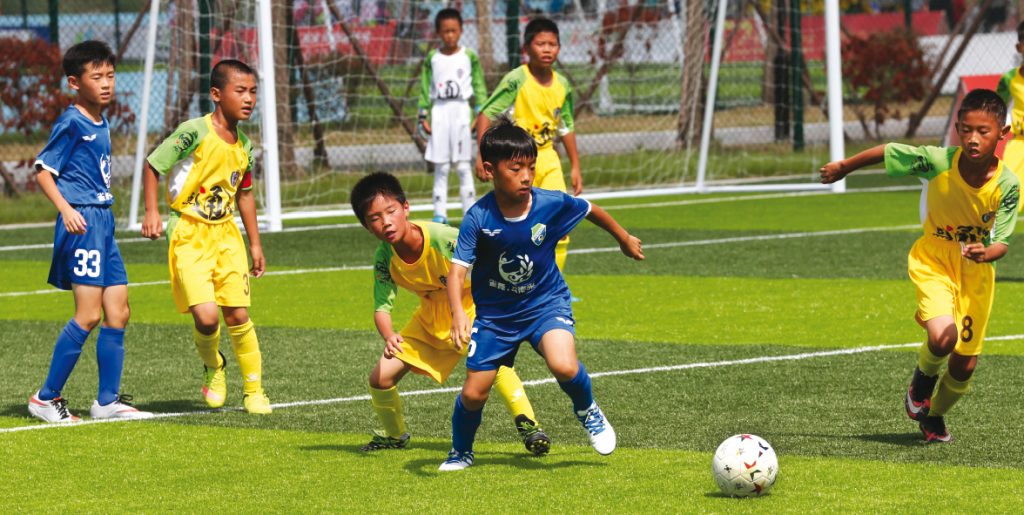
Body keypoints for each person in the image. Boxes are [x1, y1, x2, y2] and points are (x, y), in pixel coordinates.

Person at [439, 117, 644, 471]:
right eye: (515, 168)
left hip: (545, 302)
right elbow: (457, 270)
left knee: (563, 364)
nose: (526, 176)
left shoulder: (548, 203)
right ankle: (461, 452)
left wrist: (623, 238)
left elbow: (589, 208)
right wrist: (459, 313)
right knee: (474, 393)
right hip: (496, 318)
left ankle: (587, 409)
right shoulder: (478, 217)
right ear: (489, 170)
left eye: (531, 167)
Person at [819, 89, 1019, 443]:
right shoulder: (937, 161)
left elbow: (1001, 242)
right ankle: (922, 381)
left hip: (976, 272)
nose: (973, 139)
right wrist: (844, 167)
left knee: (964, 364)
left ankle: (935, 417)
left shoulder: (1007, 185)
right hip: (934, 258)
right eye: (966, 130)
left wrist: (986, 254)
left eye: (983, 132)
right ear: (957, 127)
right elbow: (889, 151)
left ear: (1002, 133)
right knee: (943, 337)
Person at [350, 172, 551, 454]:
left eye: (391, 211)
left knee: (494, 361)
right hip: (430, 319)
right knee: (380, 378)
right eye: (374, 218)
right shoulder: (385, 258)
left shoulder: (443, 239)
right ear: (366, 226)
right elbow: (382, 306)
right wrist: (389, 335)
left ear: (405, 208)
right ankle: (394, 436)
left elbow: (489, 262)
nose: (386, 222)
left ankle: (529, 425)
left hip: (472, 305)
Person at [28, 40, 152, 423]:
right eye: (96, 77)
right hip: (81, 221)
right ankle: (45, 398)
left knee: (119, 311)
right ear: (74, 83)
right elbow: (43, 170)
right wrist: (65, 209)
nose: (106, 83)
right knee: (88, 315)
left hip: (103, 221)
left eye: (110, 76)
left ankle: (107, 401)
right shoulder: (72, 121)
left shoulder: (101, 121)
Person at [141, 60, 271, 415]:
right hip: (188, 232)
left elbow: (244, 194)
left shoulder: (245, 146)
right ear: (217, 94)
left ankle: (254, 390)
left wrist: (255, 243)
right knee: (207, 317)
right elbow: (154, 165)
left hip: (227, 235)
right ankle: (215, 366)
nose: (249, 99)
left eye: (253, 92)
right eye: (240, 91)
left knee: (238, 315)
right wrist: (152, 212)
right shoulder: (193, 132)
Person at [475, 17, 580, 271]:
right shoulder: (516, 79)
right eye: (540, 43)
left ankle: (554, 285)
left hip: (548, 158)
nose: (547, 49)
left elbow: (566, 125)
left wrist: (575, 165)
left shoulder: (563, 84)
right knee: (519, 227)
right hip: (518, 162)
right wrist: (481, 155)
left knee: (561, 224)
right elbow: (486, 113)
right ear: (527, 47)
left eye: (552, 44)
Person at [418, 8, 487, 224]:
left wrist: (480, 112)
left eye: (454, 31)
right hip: (439, 112)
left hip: (461, 112)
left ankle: (470, 212)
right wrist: (422, 115)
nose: (450, 35)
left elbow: (479, 86)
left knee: (464, 165)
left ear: (461, 31)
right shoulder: (433, 58)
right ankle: (440, 214)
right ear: (438, 33)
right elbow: (424, 88)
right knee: (442, 166)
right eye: (445, 31)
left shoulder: (469, 56)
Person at [996, 21, 1024, 198]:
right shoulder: (1009, 80)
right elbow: (996, 107)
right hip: (1020, 143)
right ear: (1019, 47)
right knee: (1009, 194)